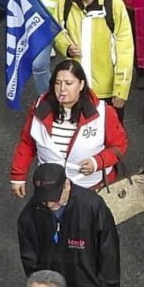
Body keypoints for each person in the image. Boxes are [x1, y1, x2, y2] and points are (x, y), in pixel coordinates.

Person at [9, 56, 127, 195]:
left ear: (81, 85)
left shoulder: (104, 112)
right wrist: (18, 176)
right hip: (51, 189)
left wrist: (97, 162)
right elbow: (27, 143)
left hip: (91, 188)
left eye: (68, 83)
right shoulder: (40, 107)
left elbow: (119, 146)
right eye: (57, 83)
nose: (62, 89)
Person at [17, 163, 123, 287]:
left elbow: (109, 254)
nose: (50, 204)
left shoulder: (92, 206)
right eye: (44, 199)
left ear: (67, 185)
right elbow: (30, 259)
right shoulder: (29, 216)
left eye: (54, 197)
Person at [54, 0, 135, 107]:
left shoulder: (114, 5)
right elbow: (57, 31)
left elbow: (125, 50)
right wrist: (66, 47)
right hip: (76, 90)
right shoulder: (65, 1)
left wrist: (121, 90)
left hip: (106, 92)